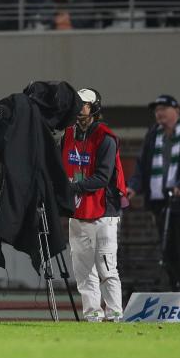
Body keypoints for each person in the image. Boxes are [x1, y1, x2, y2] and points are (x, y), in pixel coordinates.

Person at [61, 89, 127, 322]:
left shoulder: (106, 138)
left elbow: (102, 177)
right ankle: (92, 315)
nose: (80, 109)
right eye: (77, 104)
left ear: (95, 107)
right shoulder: (67, 135)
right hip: (77, 212)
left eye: (85, 105)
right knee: (82, 270)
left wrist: (69, 187)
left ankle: (115, 313)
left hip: (103, 212)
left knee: (107, 268)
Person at [127, 95, 180, 291]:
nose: (159, 113)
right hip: (161, 202)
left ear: (176, 110)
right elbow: (142, 165)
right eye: (156, 110)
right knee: (167, 246)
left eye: (163, 108)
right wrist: (133, 187)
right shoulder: (153, 134)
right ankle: (174, 285)